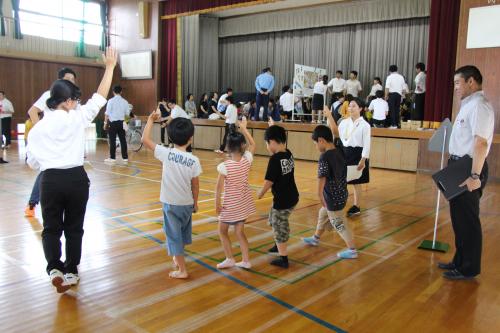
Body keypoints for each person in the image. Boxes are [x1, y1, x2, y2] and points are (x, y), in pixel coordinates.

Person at [26, 47, 117, 293]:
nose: (77, 102)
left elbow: (33, 164)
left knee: (51, 227)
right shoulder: (77, 117)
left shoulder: (37, 130)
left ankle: (54, 268)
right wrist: (109, 67)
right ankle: (72, 271)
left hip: (51, 180)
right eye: (75, 99)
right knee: (74, 227)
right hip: (76, 179)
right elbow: (100, 96)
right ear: (66, 102)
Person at [438, 65, 494, 280]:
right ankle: (460, 260)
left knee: (468, 221)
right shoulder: (468, 105)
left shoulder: (480, 105)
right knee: (458, 219)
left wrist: (475, 176)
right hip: (458, 167)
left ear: (471, 81)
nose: (455, 88)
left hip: (469, 169)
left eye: (457, 83)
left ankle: (468, 268)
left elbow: (480, 143)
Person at [142, 112, 201, 279]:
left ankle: (182, 270)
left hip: (171, 204)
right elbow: (195, 185)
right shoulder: (194, 160)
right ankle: (177, 258)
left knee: (173, 237)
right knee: (180, 234)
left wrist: (149, 120)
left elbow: (145, 140)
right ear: (190, 138)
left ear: (170, 137)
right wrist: (195, 203)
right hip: (187, 204)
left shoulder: (166, 153)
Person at [302, 114, 358, 259]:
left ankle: (352, 250)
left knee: (338, 223)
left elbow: (322, 178)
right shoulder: (339, 147)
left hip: (332, 197)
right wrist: (328, 115)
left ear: (321, 140)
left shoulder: (324, 157)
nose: (316, 146)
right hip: (342, 194)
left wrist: (319, 195)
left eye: (315, 143)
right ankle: (315, 238)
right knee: (323, 214)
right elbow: (335, 131)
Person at [24, 67, 77, 218]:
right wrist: (40, 129)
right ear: (60, 80)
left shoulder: (74, 99)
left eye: (73, 80)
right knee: (47, 170)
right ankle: (32, 204)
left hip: (66, 142)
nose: (71, 82)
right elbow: (32, 111)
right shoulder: (49, 94)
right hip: (52, 142)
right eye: (68, 79)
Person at [215, 116, 256, 269]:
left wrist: (217, 205)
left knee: (222, 230)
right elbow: (253, 144)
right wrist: (244, 128)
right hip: (243, 203)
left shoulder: (224, 166)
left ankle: (229, 258)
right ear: (242, 146)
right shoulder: (247, 160)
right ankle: (246, 261)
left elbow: (218, 189)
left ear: (227, 147)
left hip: (230, 205)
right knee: (240, 232)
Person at [257, 118, 299, 268]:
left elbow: (269, 181)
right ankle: (278, 243)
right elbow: (278, 139)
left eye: (267, 143)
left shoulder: (275, 159)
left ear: (272, 141)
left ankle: (283, 258)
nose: (267, 146)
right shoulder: (288, 153)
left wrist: (260, 193)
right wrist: (273, 128)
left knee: (278, 225)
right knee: (274, 218)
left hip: (283, 200)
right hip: (292, 196)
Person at [338, 98, 371, 217]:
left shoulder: (365, 125)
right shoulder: (344, 122)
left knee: (356, 182)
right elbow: (340, 138)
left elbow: (367, 143)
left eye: (354, 106)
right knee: (341, 180)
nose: (350, 108)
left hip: (357, 154)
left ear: (360, 109)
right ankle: (340, 203)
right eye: (350, 106)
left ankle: (356, 206)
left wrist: (363, 159)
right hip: (344, 152)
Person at [104, 85, 130, 164]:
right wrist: (126, 124)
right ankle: (125, 158)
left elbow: (107, 114)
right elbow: (127, 115)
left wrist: (105, 123)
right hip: (122, 123)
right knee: (123, 140)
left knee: (112, 140)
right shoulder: (125, 102)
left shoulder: (110, 101)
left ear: (113, 92)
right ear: (121, 92)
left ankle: (112, 158)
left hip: (113, 123)